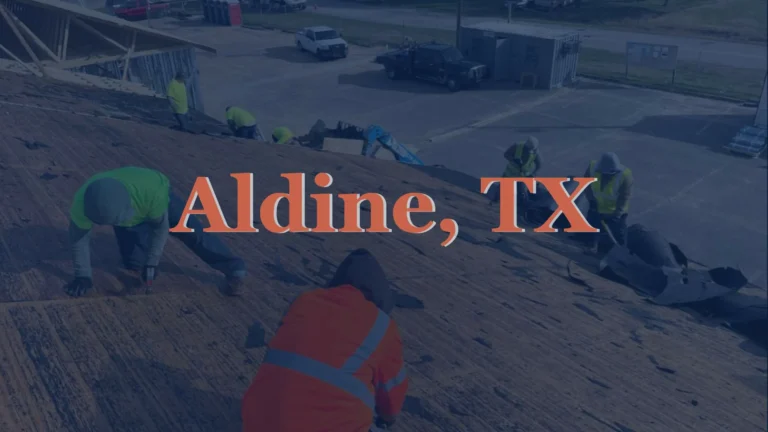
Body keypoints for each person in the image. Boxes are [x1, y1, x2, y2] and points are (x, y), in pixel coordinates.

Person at [241, 249, 408, 432]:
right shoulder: (382, 325)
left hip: (256, 422)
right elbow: (392, 399)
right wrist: (386, 419)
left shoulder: (304, 300)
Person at [64, 167, 247, 297]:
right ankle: (138, 247)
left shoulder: (151, 196)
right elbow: (78, 240)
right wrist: (83, 275)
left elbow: (161, 229)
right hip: (130, 206)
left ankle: (234, 268)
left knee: (194, 234)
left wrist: (152, 262)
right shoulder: (83, 203)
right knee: (133, 263)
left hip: (156, 194)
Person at [583, 152, 633, 251]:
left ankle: (619, 250)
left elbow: (624, 197)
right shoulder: (592, 168)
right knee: (592, 228)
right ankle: (592, 245)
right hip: (597, 206)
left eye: (611, 174)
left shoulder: (625, 176)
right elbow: (586, 185)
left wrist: (615, 214)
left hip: (615, 211)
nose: (609, 176)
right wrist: (592, 201)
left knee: (617, 236)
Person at [489, 136, 542, 206]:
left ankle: (522, 207)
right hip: (510, 173)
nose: (529, 151)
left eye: (531, 149)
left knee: (522, 192)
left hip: (522, 176)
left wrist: (533, 173)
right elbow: (506, 154)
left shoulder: (535, 152)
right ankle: (495, 201)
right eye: (528, 149)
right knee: (501, 189)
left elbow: (539, 164)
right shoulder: (517, 146)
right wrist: (514, 160)